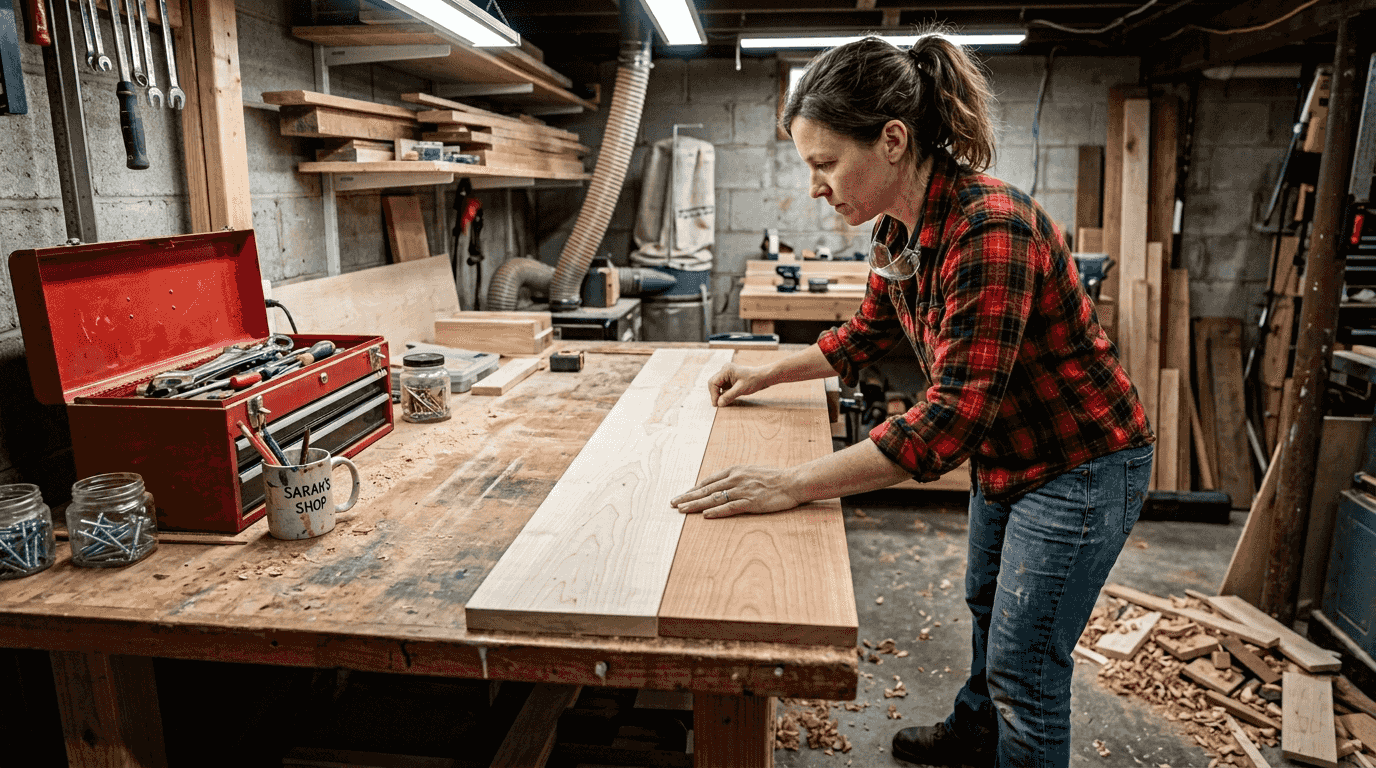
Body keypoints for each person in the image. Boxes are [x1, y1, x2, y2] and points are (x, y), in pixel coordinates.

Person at [669, 32, 1155, 768]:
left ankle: (1009, 739)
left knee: (1027, 665)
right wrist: (765, 373)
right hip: (1010, 452)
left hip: (1079, 465)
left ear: (892, 140)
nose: (816, 186)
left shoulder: (989, 231)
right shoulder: (899, 228)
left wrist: (791, 485)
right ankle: (974, 734)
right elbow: (866, 333)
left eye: (826, 163)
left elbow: (947, 424)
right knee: (989, 608)